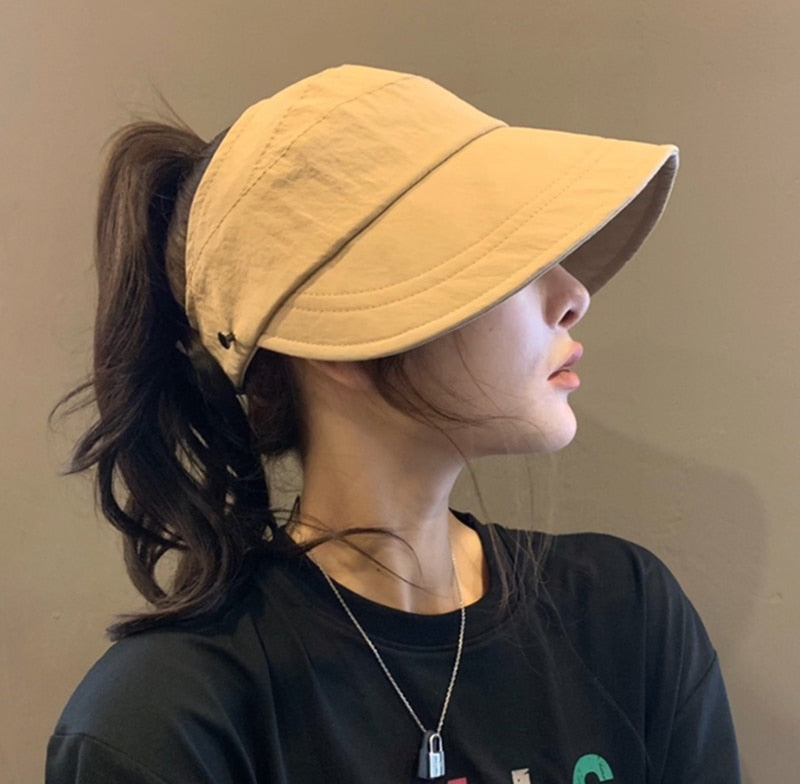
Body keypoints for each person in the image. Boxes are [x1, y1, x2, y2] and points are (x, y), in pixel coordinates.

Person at [46, 63, 741, 783]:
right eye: (504, 258)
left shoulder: (623, 616)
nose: (573, 294)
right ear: (341, 338)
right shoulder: (168, 722)